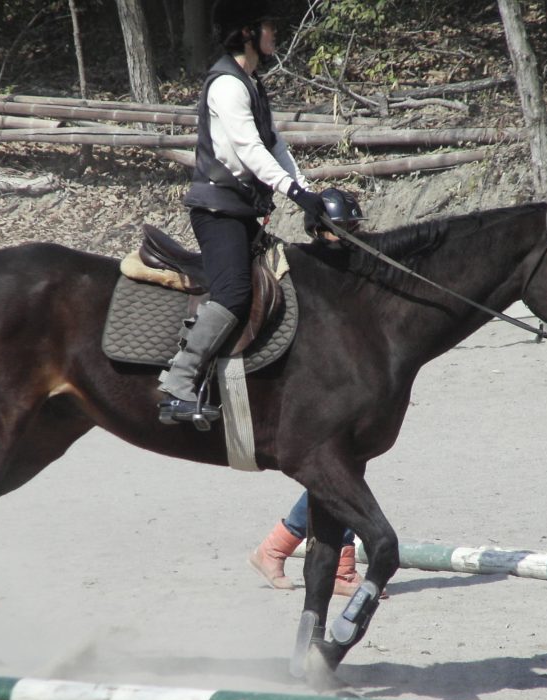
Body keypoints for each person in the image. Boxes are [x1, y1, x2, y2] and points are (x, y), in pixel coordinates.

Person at [158, 0, 326, 426]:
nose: (275, 33)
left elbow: (275, 147)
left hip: (242, 211)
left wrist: (308, 194)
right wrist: (292, 191)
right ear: (249, 32)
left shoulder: (252, 84)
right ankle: (178, 385)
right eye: (269, 26)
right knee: (233, 293)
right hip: (217, 211)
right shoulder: (227, 86)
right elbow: (249, 150)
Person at [249, 188, 370, 598]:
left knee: (345, 469)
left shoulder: (353, 270)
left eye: (355, 227)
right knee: (342, 471)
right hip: (319, 385)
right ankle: (331, 566)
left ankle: (279, 549)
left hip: (348, 381)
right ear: (319, 231)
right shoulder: (307, 271)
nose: (351, 236)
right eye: (343, 229)